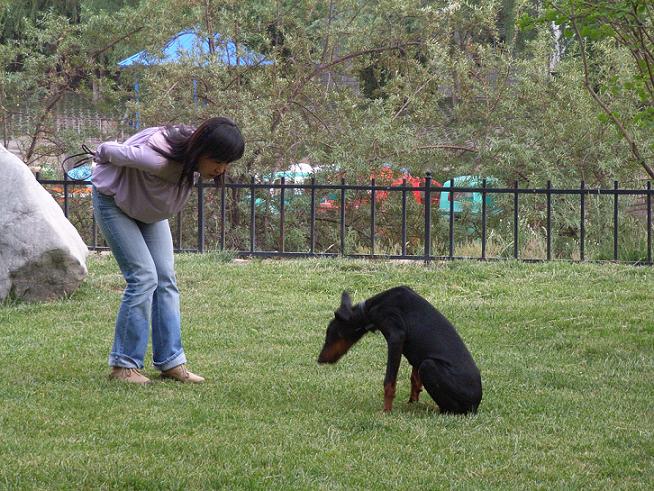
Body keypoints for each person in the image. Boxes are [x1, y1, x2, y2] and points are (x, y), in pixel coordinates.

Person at [91, 117, 244, 384]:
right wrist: (101, 157)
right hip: (114, 201)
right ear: (202, 151)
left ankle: (171, 363)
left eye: (227, 163)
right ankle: (123, 367)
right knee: (143, 278)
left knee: (165, 279)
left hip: (148, 209)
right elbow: (109, 150)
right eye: (218, 161)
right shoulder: (157, 161)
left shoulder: (187, 156)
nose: (222, 169)